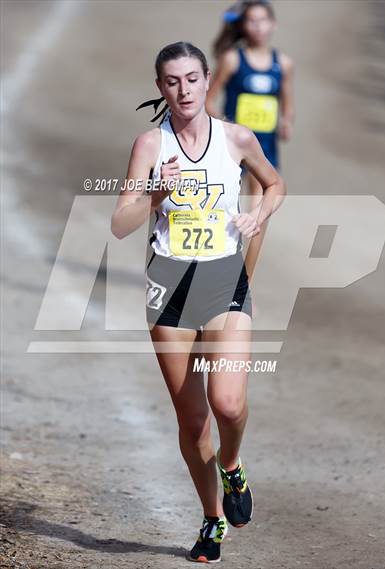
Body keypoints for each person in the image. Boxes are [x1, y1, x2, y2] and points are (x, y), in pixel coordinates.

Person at [111, 41, 286, 563]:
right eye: (172, 81)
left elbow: (274, 184)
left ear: (208, 80)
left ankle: (232, 466)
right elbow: (120, 225)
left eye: (192, 79)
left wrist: (259, 216)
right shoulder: (149, 145)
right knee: (192, 423)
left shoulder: (237, 138)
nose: (183, 90)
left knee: (228, 404)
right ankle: (213, 520)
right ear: (160, 87)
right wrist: (154, 196)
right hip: (169, 286)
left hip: (222, 280)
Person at [206, 0, 294, 281]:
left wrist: (286, 121)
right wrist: (227, 128)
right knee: (222, 212)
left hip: (264, 151)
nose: (258, 26)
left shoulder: (284, 64)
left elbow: (288, 103)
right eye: (251, 20)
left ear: (273, 24)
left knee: (258, 218)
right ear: (243, 26)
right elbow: (208, 101)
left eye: (262, 20)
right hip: (232, 150)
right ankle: (209, 275)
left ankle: (243, 286)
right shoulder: (232, 60)